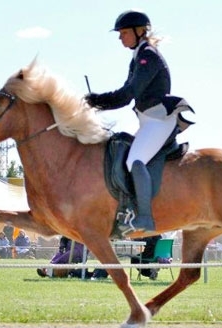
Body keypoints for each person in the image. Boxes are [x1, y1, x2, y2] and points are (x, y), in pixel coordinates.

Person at [85, 10, 193, 235]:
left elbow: (127, 94)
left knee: (135, 159)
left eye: (124, 32)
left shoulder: (148, 56)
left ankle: (144, 217)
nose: (120, 37)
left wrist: (96, 100)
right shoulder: (139, 56)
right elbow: (127, 95)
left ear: (139, 31)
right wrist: (97, 102)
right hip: (149, 121)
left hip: (158, 120)